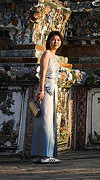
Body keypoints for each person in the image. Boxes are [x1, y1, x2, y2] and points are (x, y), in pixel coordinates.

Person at [32, 31, 63, 164]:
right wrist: (41, 90)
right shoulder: (46, 54)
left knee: (49, 122)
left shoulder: (55, 57)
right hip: (46, 89)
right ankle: (44, 155)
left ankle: (43, 154)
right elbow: (42, 74)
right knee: (45, 122)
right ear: (48, 41)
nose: (55, 42)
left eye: (58, 40)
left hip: (53, 89)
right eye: (53, 39)